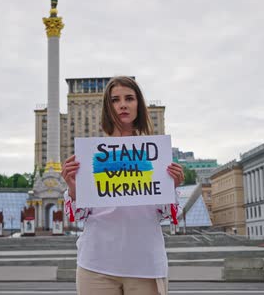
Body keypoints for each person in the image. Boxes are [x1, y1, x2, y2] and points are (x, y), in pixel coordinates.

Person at [61, 76, 184, 295]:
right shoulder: (91, 155)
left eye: (129, 98)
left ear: (139, 105)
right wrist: (73, 189)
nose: (123, 105)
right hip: (96, 266)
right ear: (108, 108)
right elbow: (79, 216)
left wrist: (171, 186)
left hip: (145, 265)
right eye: (115, 100)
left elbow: (165, 214)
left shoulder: (155, 154)